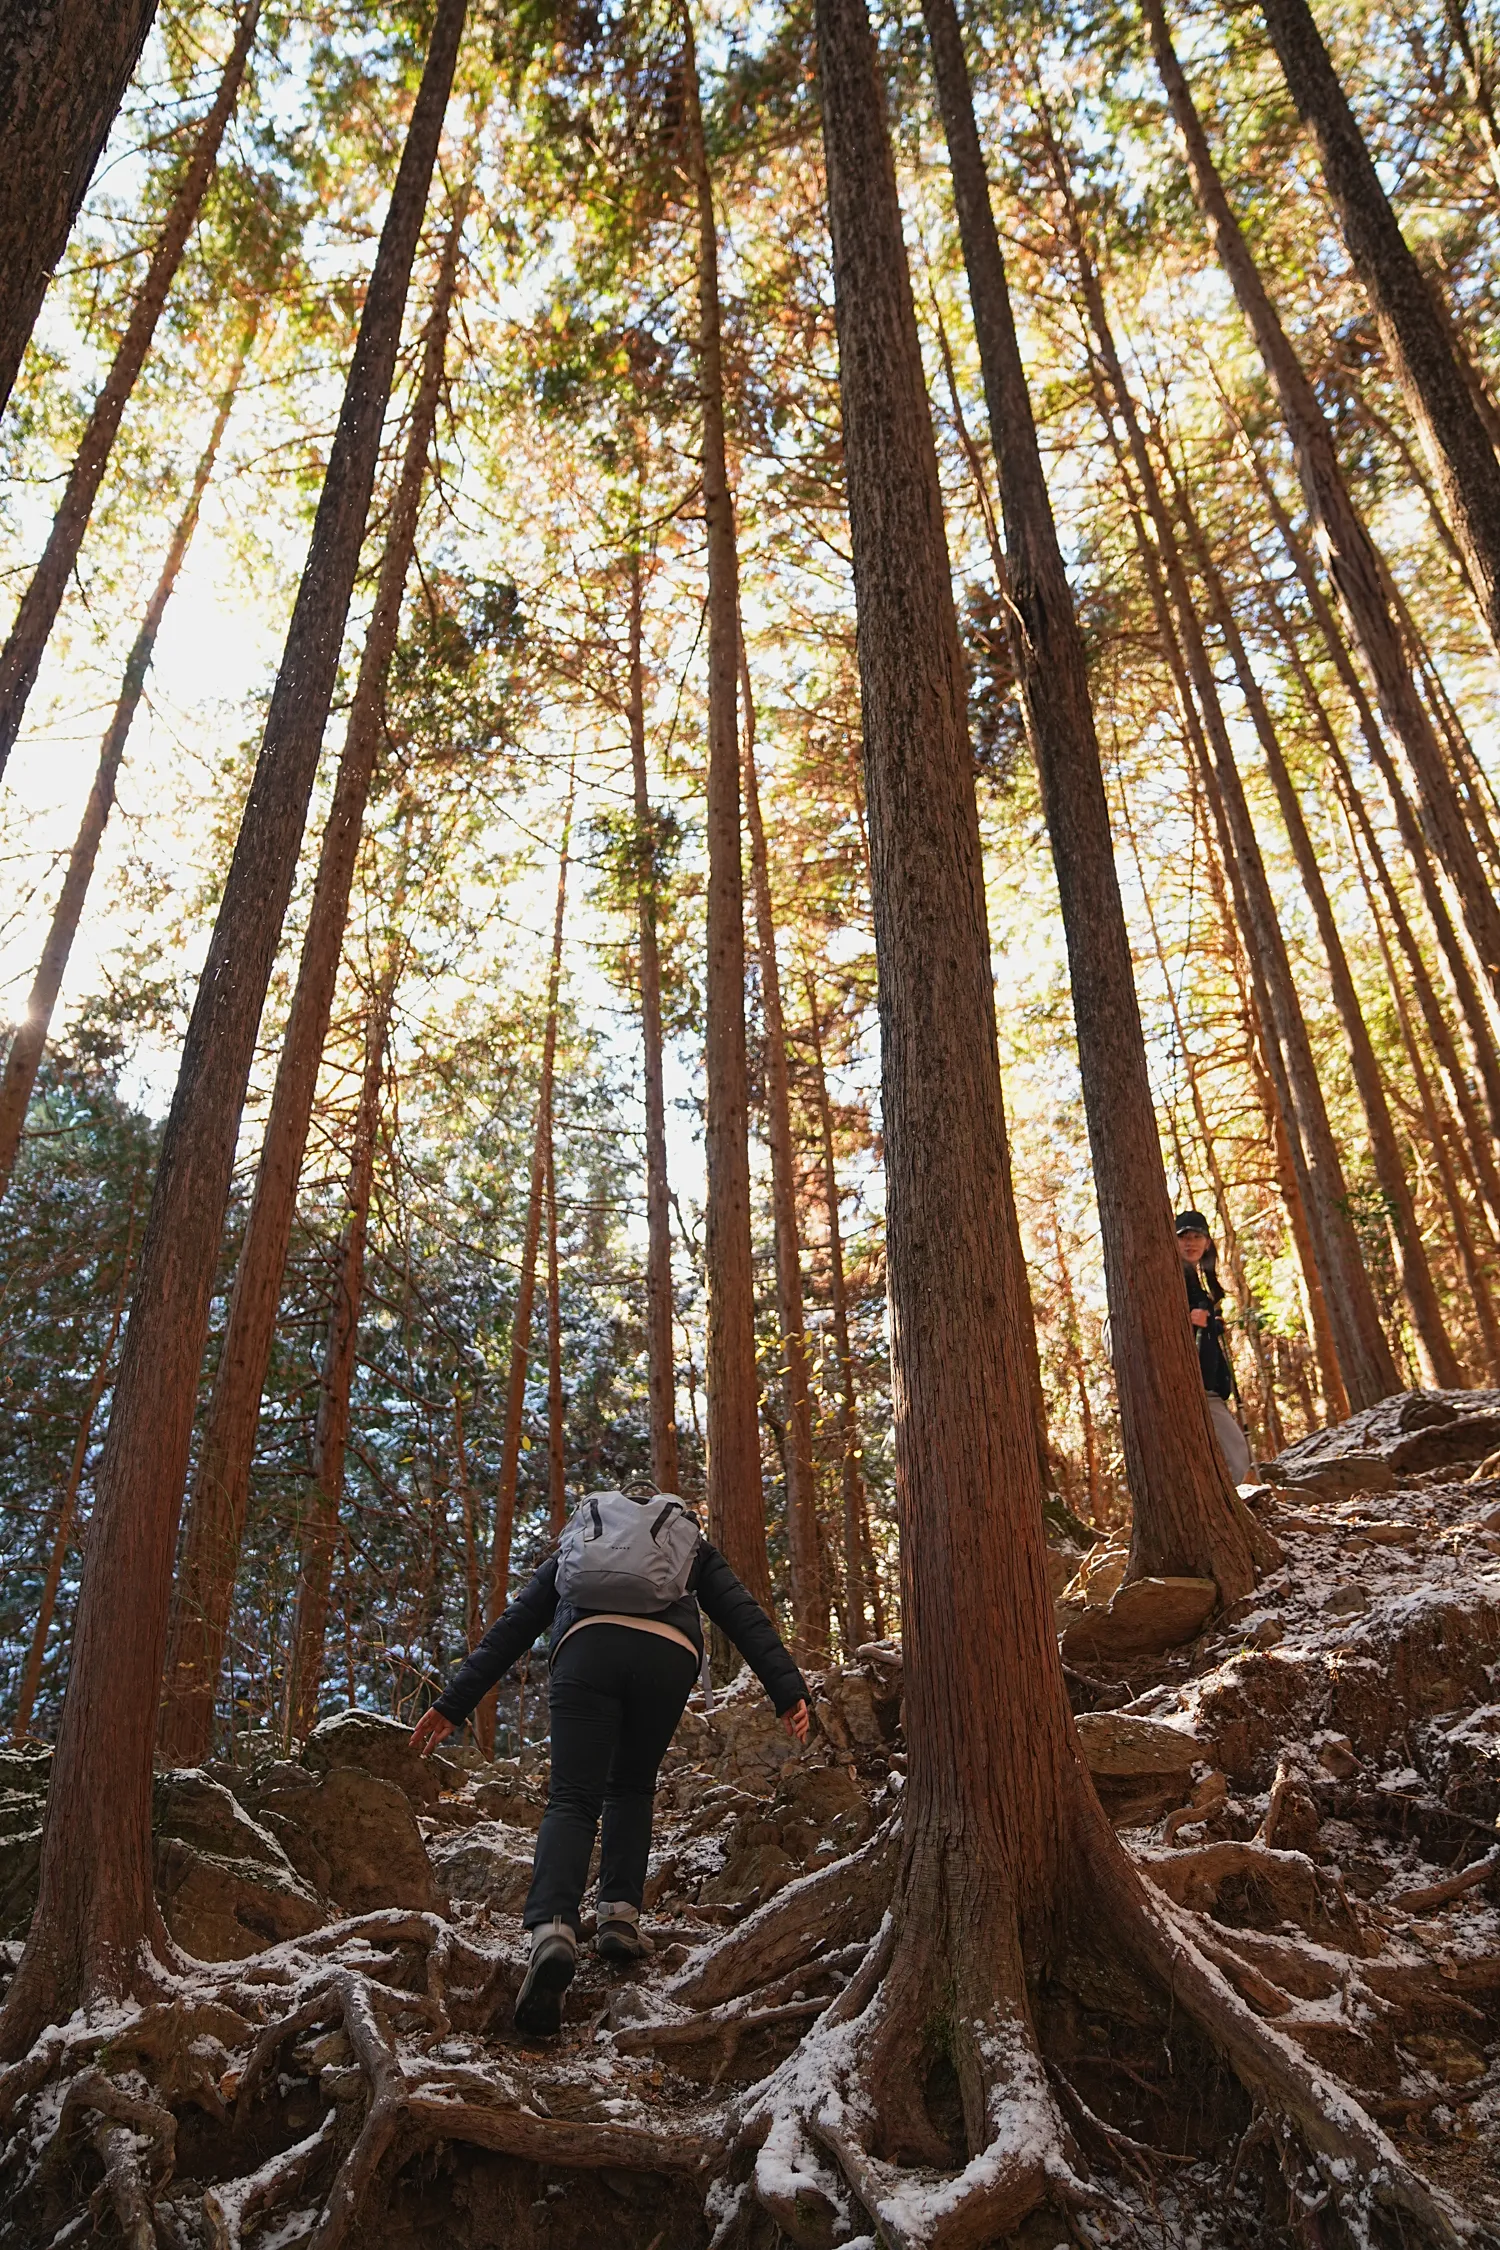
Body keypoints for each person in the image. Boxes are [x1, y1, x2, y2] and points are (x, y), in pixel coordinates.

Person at [410, 1479, 810, 2036]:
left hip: (588, 1648)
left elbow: (518, 1622)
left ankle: (553, 1930)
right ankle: (620, 1917)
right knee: (633, 1786)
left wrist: (454, 1704)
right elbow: (743, 1614)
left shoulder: (583, 1534)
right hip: (668, 1657)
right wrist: (788, 1690)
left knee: (573, 1797)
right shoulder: (685, 1538)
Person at [1175, 1210, 1253, 1486]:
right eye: (1184, 1237)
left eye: (1197, 1237)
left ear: (1207, 1243)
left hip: (1206, 1384)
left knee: (1225, 1454)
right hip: (1191, 1385)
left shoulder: (1199, 1281)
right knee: (1236, 1456)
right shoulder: (1172, 1280)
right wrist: (1186, 1320)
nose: (1191, 1243)